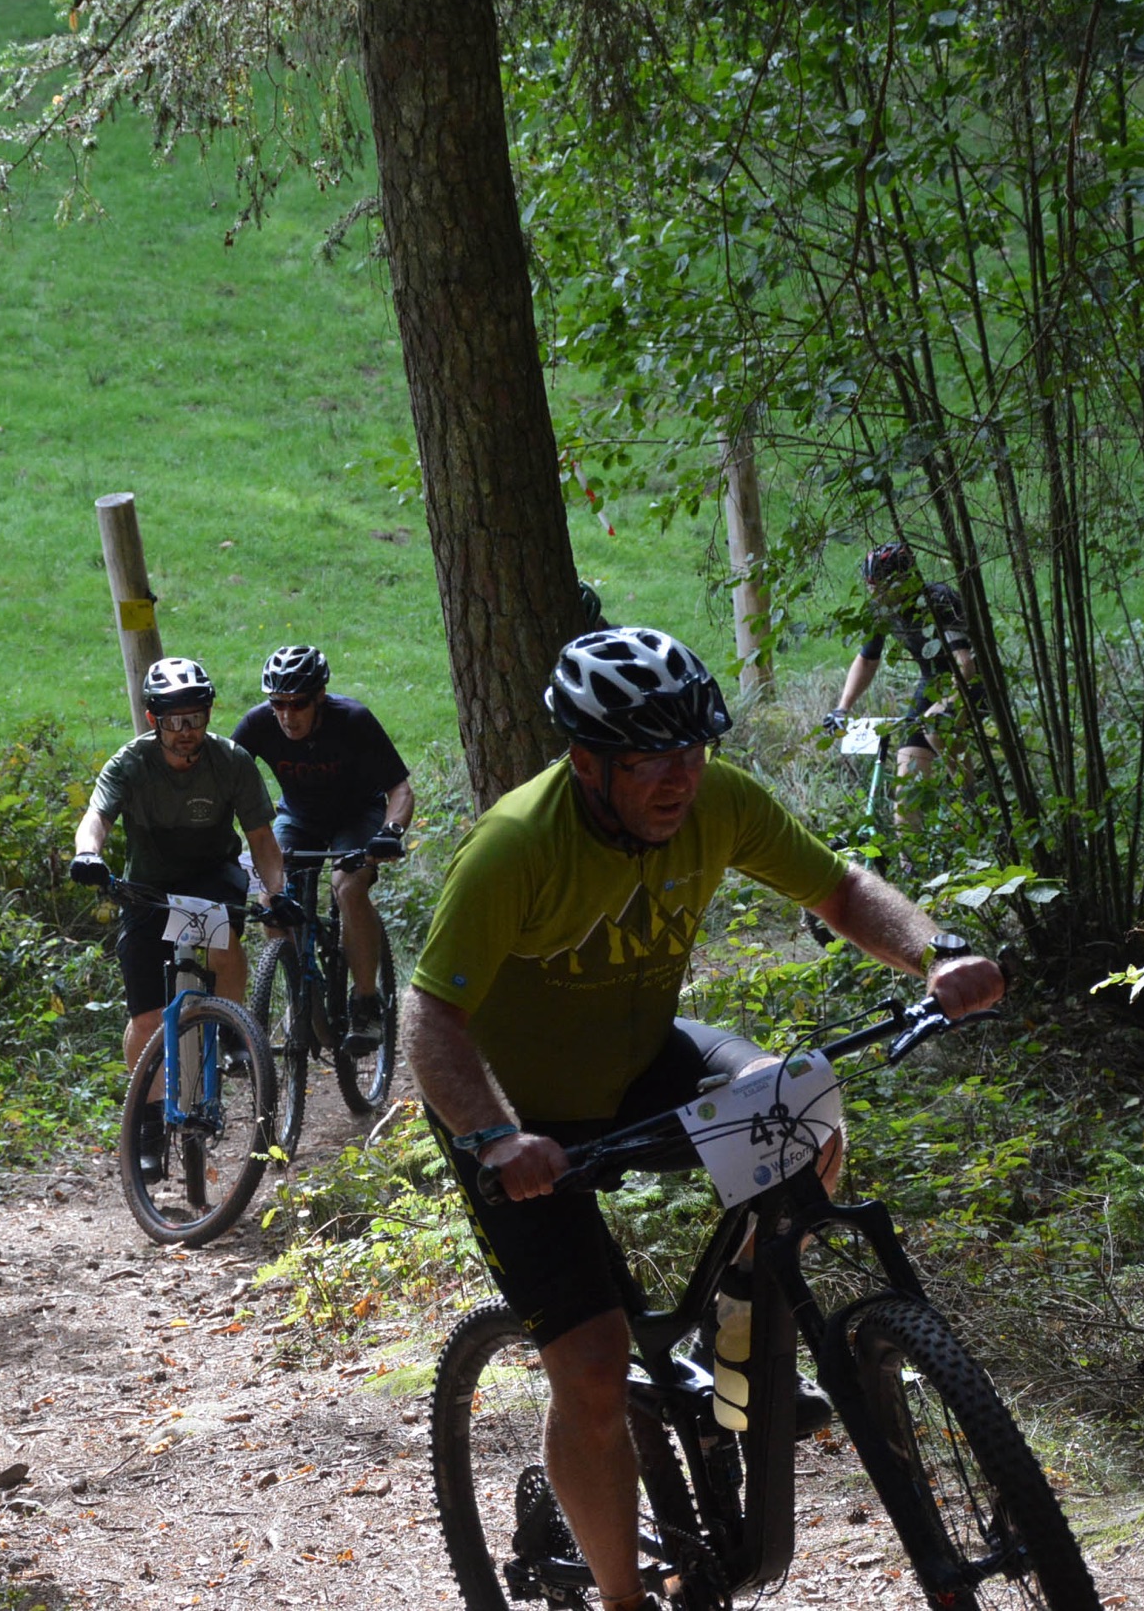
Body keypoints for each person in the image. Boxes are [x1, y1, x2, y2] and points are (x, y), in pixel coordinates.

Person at [409, 627, 1004, 1611]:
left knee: (801, 1110)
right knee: (592, 1373)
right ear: (587, 761)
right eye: (650, 758)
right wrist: (495, 1135)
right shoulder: (517, 846)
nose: (679, 777)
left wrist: (936, 951)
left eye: (692, 749)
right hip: (520, 1119)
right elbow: (429, 1017)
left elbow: (839, 888)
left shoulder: (715, 801)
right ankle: (624, 1600)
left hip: (643, 1062)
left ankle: (736, 1358)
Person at [69, 658, 295, 1158]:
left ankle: (232, 1031)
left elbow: (261, 838)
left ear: (208, 716)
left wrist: (275, 891)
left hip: (210, 877)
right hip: (148, 888)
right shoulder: (130, 763)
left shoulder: (232, 762)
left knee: (221, 943)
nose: (186, 731)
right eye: (174, 721)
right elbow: (97, 817)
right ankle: (149, 1124)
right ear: (154, 720)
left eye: (195, 718)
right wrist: (88, 854)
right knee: (146, 1016)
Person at [231, 645, 415, 1046]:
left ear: (320, 697)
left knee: (347, 887)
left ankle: (365, 1001)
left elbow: (400, 789)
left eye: (298, 703)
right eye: (278, 703)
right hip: (299, 818)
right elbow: (224, 780)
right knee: (271, 899)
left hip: (358, 816)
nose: (287, 715)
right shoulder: (259, 723)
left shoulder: (353, 720)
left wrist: (391, 832)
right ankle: (298, 992)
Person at [825, 542, 975, 813]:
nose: (874, 593)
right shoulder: (880, 609)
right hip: (932, 682)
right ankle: (908, 842)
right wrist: (841, 708)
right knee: (907, 781)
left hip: (972, 681)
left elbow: (965, 665)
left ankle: (975, 806)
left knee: (937, 729)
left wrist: (948, 706)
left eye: (880, 586)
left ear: (903, 582)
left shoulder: (938, 601)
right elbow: (867, 659)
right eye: (870, 586)